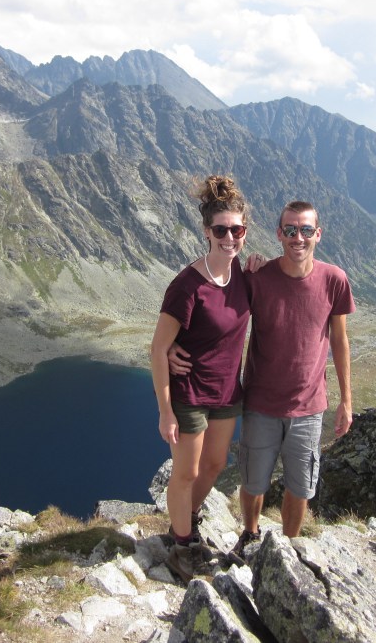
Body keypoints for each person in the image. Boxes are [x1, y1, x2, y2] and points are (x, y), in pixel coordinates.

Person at [171, 200, 354, 555]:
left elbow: (340, 340)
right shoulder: (257, 277)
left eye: (304, 230)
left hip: (309, 405)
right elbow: (216, 306)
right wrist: (169, 346)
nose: (297, 237)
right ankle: (250, 536)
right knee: (254, 481)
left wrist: (347, 400)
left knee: (300, 488)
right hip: (259, 403)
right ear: (278, 234)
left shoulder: (334, 280)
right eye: (289, 230)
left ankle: (287, 550)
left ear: (318, 234)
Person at [149, 175, 251, 583]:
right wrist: (165, 411)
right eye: (222, 230)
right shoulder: (187, 286)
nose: (230, 237)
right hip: (190, 394)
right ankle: (182, 546)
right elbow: (159, 348)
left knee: (214, 464)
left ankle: (184, 524)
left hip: (228, 392)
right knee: (187, 472)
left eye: (237, 229)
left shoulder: (243, 272)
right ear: (207, 231)